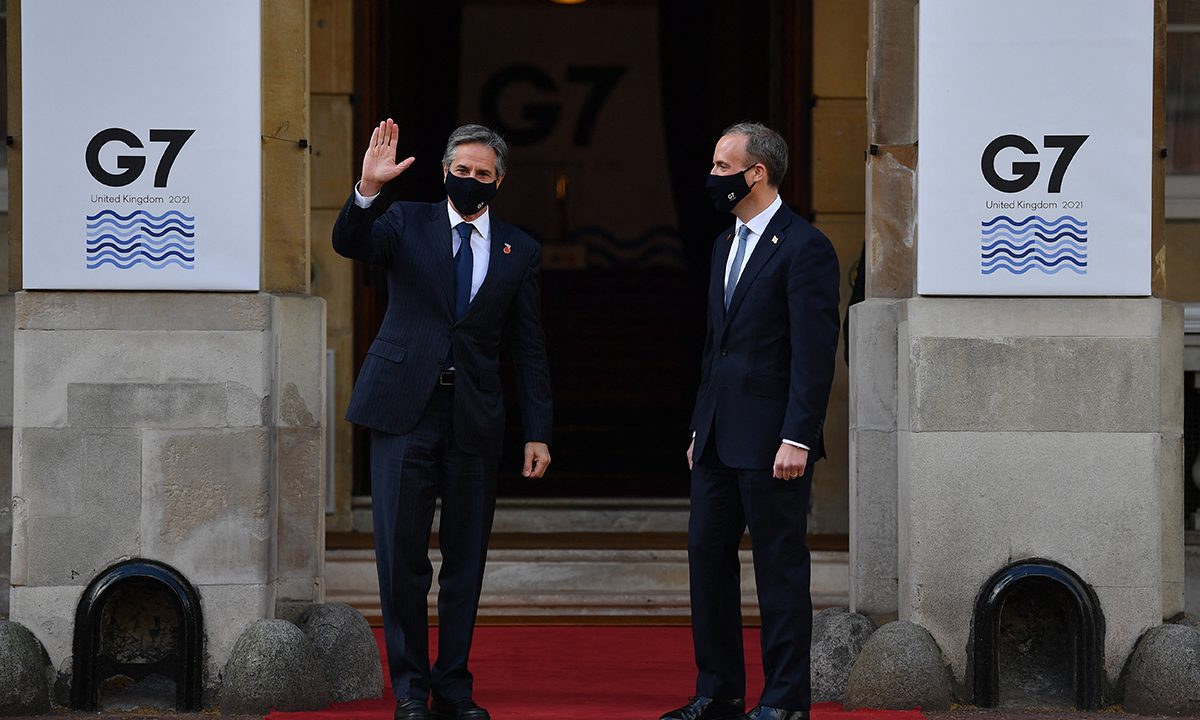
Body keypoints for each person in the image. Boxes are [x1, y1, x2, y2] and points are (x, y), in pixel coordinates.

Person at [333, 121, 553, 720]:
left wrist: (539, 431)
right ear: (446, 170)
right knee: (401, 554)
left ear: (499, 181)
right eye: (463, 170)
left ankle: (453, 685)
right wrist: (367, 189)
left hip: (475, 415)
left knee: (465, 558)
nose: (472, 181)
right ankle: (410, 688)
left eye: (484, 174)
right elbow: (349, 242)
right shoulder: (405, 223)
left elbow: (528, 347)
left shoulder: (520, 249)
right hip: (405, 408)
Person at [662, 122, 841, 720]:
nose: (712, 177)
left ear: (755, 172)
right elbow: (717, 347)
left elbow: (813, 355)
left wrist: (799, 435)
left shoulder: (805, 246)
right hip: (716, 437)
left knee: (779, 572)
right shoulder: (722, 244)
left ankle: (785, 702)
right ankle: (719, 693)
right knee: (706, 565)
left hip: (773, 444)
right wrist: (697, 426)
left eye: (720, 166)